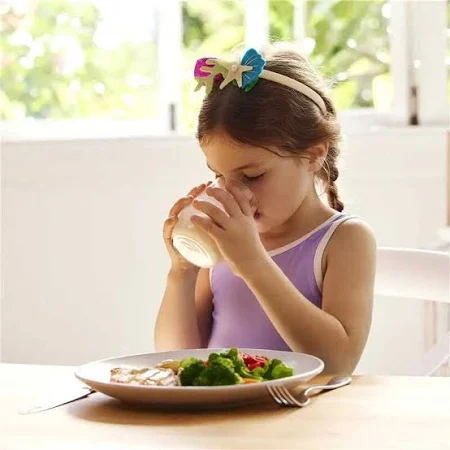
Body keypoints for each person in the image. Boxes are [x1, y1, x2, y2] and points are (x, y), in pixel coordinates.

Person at [154, 44, 376, 374]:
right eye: (218, 175)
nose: (233, 192)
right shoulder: (221, 242)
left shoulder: (345, 240)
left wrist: (253, 263)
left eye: (252, 176)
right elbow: (176, 359)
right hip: (221, 408)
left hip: (300, 408)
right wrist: (181, 273)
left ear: (313, 155)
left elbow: (337, 363)